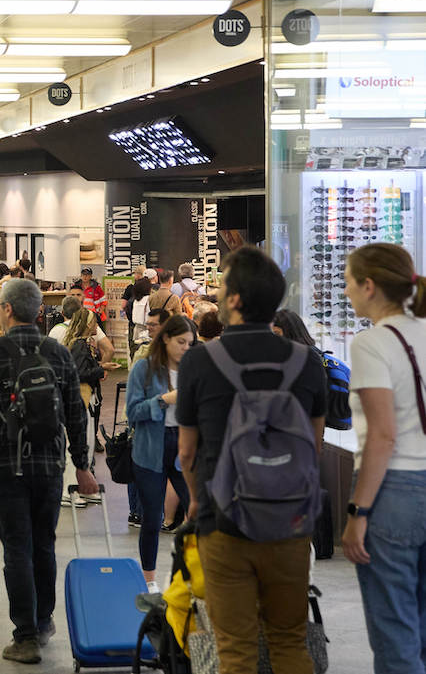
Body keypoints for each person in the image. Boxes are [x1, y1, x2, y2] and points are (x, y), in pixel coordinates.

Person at [177, 246, 326, 674]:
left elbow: (187, 452)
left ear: (237, 299)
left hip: (224, 522)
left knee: (236, 651)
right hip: (291, 523)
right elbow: (312, 447)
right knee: (289, 643)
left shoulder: (201, 361)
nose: (217, 292)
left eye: (222, 285)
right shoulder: (306, 361)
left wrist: (194, 499)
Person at [0, 278, 99, 664]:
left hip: (6, 467)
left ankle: (24, 636)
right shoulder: (57, 353)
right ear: (40, 311)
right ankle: (43, 623)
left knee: (17, 549)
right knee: (44, 544)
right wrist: (83, 466)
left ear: (6, 310)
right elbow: (76, 413)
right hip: (49, 466)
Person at [338, 243, 426, 674]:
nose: (347, 291)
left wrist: (358, 510)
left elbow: (382, 436)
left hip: (394, 494)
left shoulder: (372, 343)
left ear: (369, 286)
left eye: (350, 282)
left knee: (395, 632)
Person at [125, 314, 194, 591]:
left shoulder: (193, 370)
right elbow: (133, 412)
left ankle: (190, 574)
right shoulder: (145, 368)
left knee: (197, 510)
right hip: (151, 448)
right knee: (152, 517)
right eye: (181, 342)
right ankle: (149, 581)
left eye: (190, 343)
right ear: (165, 339)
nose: (186, 348)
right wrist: (164, 399)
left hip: (185, 446)